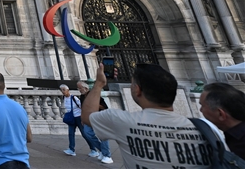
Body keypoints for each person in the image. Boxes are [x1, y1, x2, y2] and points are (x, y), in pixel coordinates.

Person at [83, 63, 216, 168]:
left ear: (137, 89)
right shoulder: (208, 130)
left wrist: (99, 84)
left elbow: (87, 116)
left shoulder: (122, 121)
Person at [199, 82, 245, 159]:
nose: (200, 110)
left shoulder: (239, 145)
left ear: (220, 114)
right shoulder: (233, 137)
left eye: (202, 106)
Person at [59, 84, 102, 159]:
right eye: (61, 90)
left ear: (68, 90)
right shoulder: (64, 98)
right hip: (72, 118)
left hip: (78, 117)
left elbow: (81, 107)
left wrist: (83, 118)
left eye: (64, 90)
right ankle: (71, 149)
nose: (62, 92)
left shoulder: (74, 98)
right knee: (71, 133)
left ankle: (93, 149)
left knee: (84, 134)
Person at [76, 81, 113, 164]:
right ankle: (102, 150)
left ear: (86, 88)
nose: (79, 90)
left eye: (80, 88)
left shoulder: (94, 95)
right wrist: (82, 119)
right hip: (88, 119)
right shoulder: (82, 97)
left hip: (99, 118)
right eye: (78, 88)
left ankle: (107, 155)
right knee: (87, 133)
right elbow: (83, 108)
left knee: (102, 136)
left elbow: (104, 107)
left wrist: (93, 105)